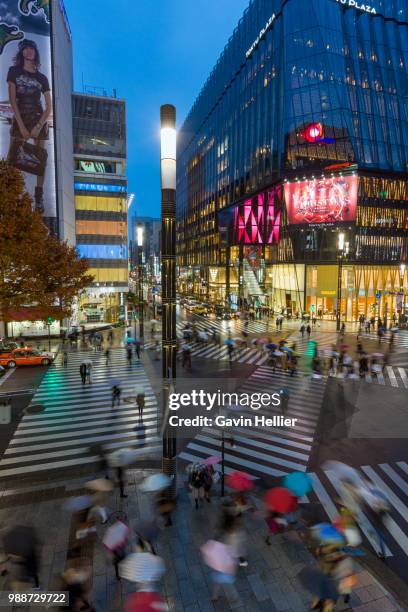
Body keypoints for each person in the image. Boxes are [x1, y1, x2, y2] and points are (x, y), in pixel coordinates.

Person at [7, 40, 52, 216]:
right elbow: (12, 100)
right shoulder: (14, 72)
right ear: (22, 53)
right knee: (14, 158)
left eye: (31, 48)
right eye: (25, 49)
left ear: (35, 52)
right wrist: (21, 126)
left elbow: (48, 106)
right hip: (21, 116)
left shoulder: (42, 78)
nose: (28, 51)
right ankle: (13, 193)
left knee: (40, 160)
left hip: (38, 118)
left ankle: (38, 196)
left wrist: (37, 126)